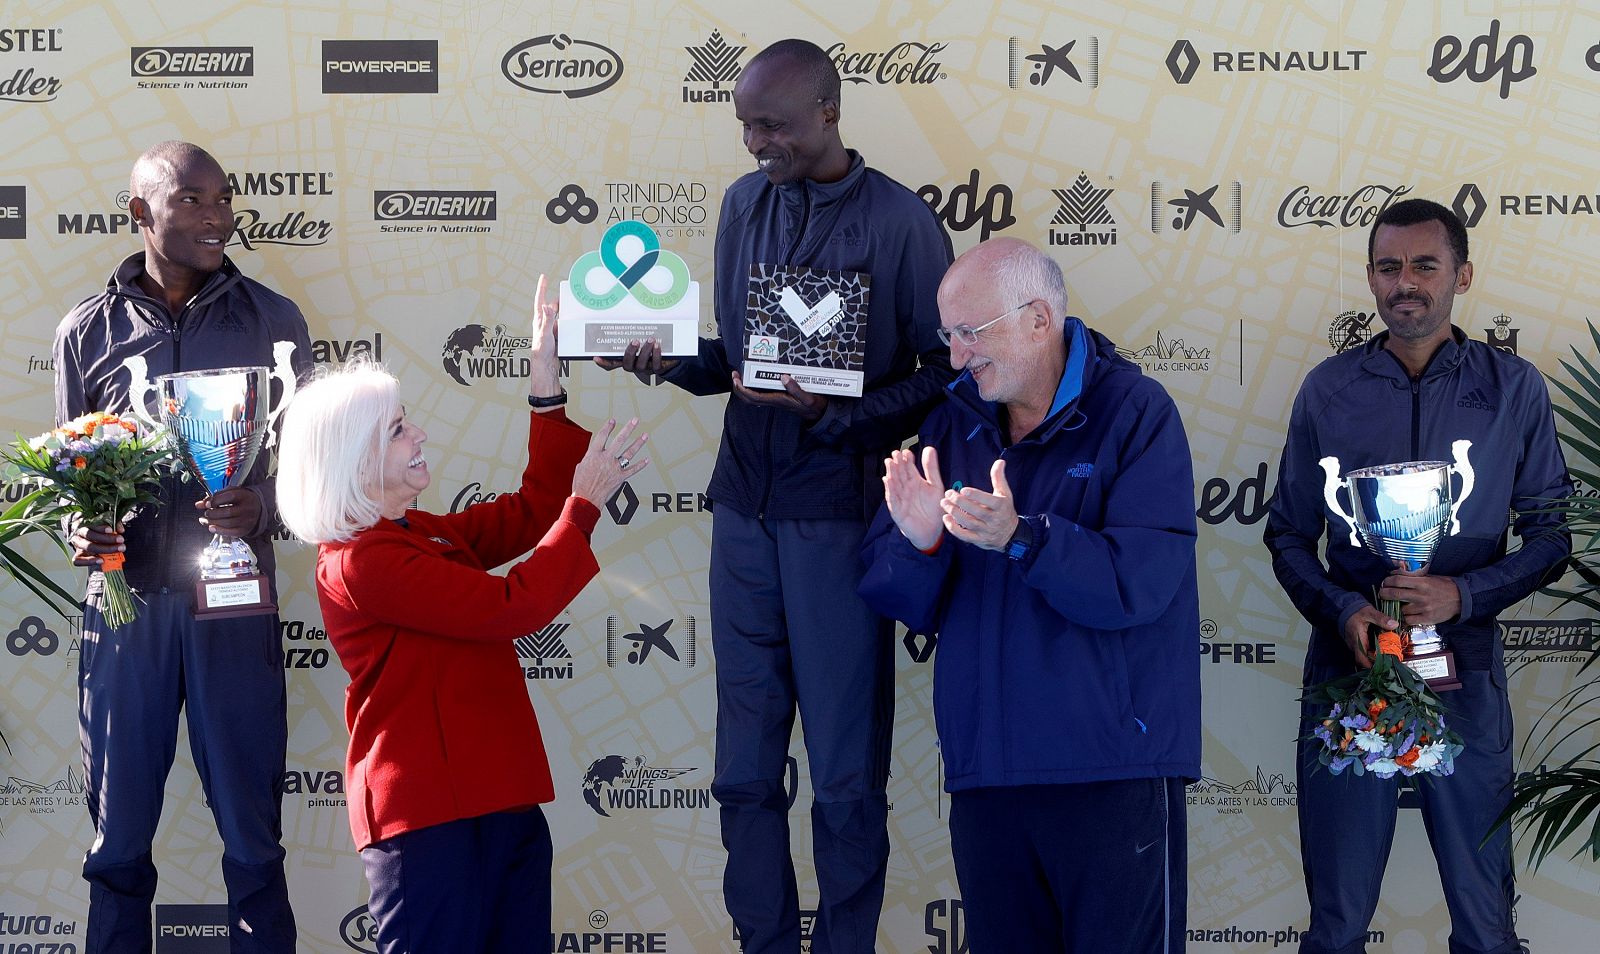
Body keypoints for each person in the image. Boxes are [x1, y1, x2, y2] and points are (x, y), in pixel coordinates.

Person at [595, 38, 954, 954]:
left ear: (830, 113)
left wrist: (839, 418)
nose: (756, 142)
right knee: (743, 770)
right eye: (746, 124)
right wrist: (668, 360)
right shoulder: (741, 204)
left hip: (838, 518)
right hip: (742, 511)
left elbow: (950, 374)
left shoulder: (904, 222)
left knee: (842, 773)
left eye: (773, 125)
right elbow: (740, 362)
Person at [275, 276, 646, 954]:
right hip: (428, 822)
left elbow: (535, 508)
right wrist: (586, 504)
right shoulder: (359, 561)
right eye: (396, 430)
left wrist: (545, 384)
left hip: (500, 801)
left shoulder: (421, 530)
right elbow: (516, 606)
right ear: (353, 461)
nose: (418, 433)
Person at [859, 237, 1199, 954]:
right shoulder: (952, 423)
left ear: (1039, 318)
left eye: (971, 335)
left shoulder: (1137, 411)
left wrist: (1026, 537)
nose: (956, 358)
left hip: (1110, 770)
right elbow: (898, 594)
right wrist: (919, 542)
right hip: (990, 774)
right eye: (948, 338)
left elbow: (1138, 586)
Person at [1263, 197, 1571, 954]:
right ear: (1370, 277)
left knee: (1485, 921)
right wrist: (1342, 610)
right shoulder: (1328, 390)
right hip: (1352, 667)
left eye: (1425, 266)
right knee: (1335, 924)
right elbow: (1289, 536)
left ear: (1461, 276)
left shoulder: (1513, 389)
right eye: (1390, 266)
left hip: (1463, 670)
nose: (1407, 283)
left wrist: (1462, 596)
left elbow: (1551, 537)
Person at [53, 141, 310, 954]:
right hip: (124, 612)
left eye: (224, 200)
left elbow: (308, 476)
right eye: (192, 200)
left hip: (232, 606)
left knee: (253, 843)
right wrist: (79, 531)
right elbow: (70, 477)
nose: (216, 217)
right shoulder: (85, 332)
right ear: (140, 213)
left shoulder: (274, 319)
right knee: (118, 848)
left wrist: (260, 506)